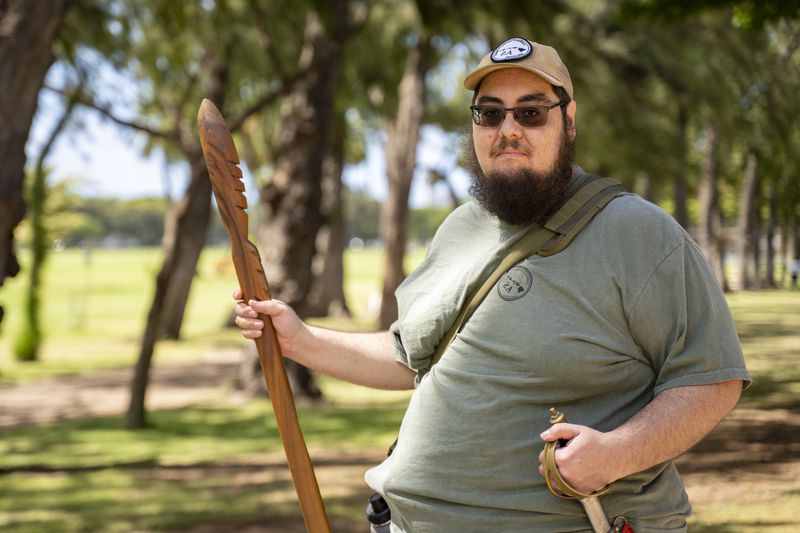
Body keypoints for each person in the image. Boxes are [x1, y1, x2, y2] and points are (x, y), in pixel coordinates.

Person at [233, 37, 750, 533]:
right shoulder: (462, 227)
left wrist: (616, 453)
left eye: (530, 112)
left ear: (568, 121)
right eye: (489, 112)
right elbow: (408, 357)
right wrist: (299, 339)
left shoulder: (637, 232)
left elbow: (711, 378)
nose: (508, 129)